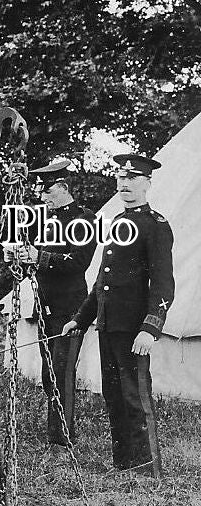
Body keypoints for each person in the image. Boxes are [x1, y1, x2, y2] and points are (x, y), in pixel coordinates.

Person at [61, 153, 173, 476]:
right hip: (108, 327)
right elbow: (102, 281)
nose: (125, 184)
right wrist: (80, 319)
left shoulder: (155, 227)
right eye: (121, 179)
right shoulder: (118, 222)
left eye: (133, 179)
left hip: (134, 330)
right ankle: (123, 464)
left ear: (147, 184)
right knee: (113, 395)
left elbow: (164, 284)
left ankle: (147, 470)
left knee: (136, 397)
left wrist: (150, 329)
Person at [17, 159, 96, 449]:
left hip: (70, 310)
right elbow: (39, 261)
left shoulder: (84, 220)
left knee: (62, 372)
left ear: (63, 187)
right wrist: (24, 261)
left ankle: (62, 440)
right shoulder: (47, 221)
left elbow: (78, 262)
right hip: (45, 307)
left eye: (47, 190)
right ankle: (57, 432)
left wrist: (40, 257)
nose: (43, 197)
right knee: (49, 374)